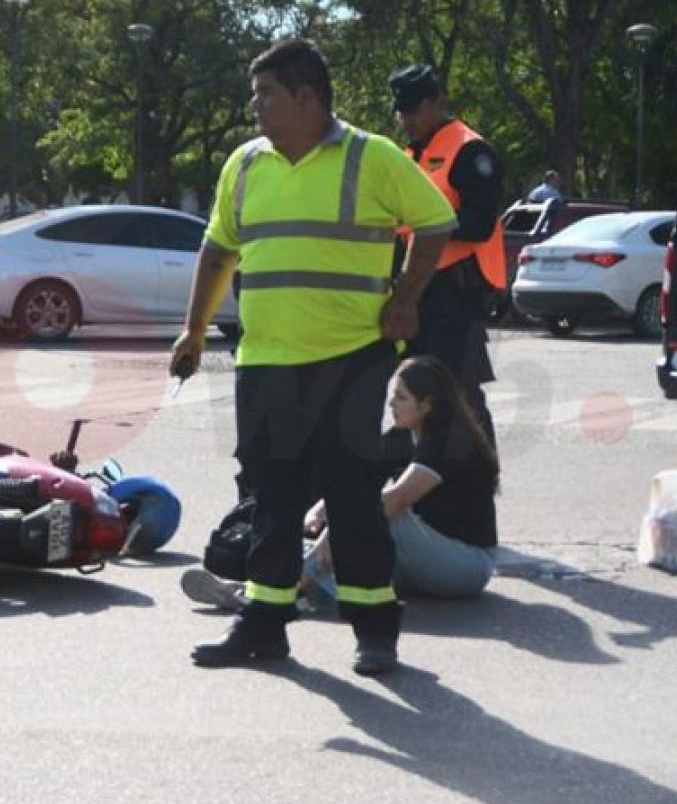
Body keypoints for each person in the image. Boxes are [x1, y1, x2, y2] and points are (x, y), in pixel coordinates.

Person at [168, 39, 456, 676]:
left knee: (352, 500)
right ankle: (265, 624)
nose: (255, 109)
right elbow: (218, 251)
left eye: (266, 95)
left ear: (306, 97)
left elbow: (435, 221)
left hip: (350, 358)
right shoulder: (245, 165)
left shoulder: (371, 157)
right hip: (265, 361)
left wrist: (406, 296)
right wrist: (192, 331)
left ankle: (375, 630)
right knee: (271, 500)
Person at [183, 355, 501, 610]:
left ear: (428, 404)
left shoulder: (450, 442)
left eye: (401, 398)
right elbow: (359, 477)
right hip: (426, 554)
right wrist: (321, 510)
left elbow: (394, 502)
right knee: (345, 550)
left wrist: (334, 529)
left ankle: (283, 595)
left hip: (466, 565)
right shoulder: (404, 435)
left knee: (377, 518)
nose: (392, 405)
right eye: (392, 396)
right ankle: (262, 592)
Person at [388, 64, 505, 445]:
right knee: (417, 393)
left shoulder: (470, 149)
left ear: (438, 102)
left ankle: (479, 477)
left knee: (459, 394)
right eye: (402, 112)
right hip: (417, 293)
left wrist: (426, 224)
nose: (407, 120)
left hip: (456, 293)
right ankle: (420, 479)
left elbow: (480, 221)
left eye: (414, 110)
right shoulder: (409, 155)